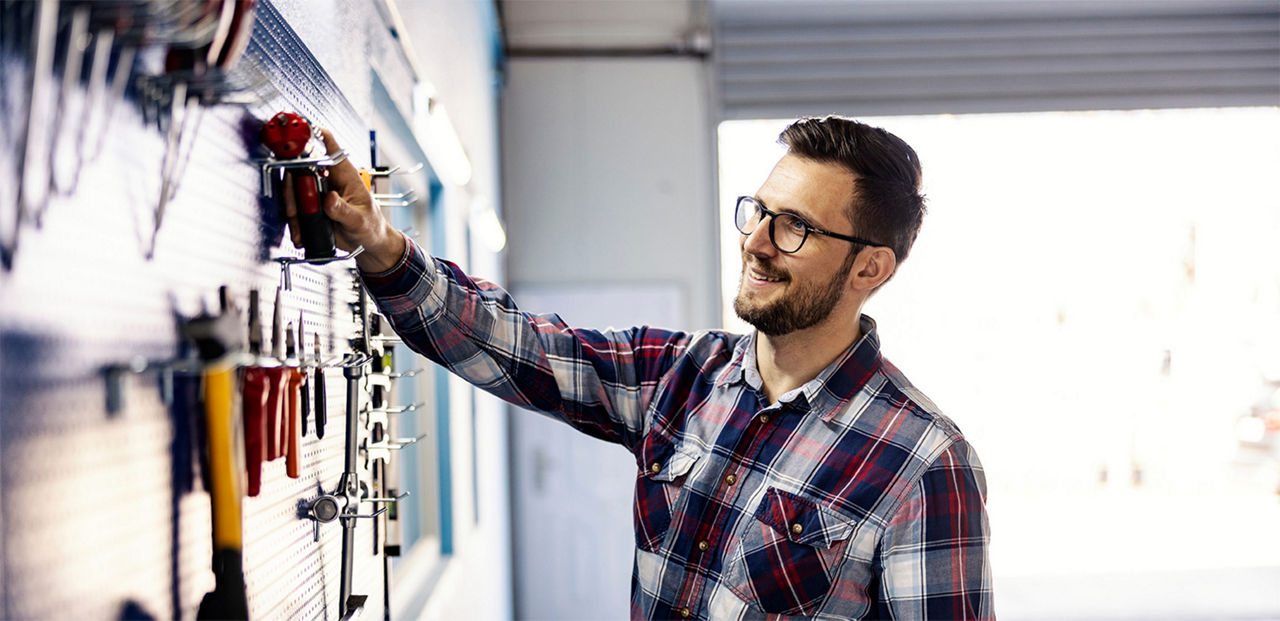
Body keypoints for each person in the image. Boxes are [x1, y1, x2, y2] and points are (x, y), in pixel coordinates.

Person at [287, 116, 993, 619]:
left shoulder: (924, 462)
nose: (757, 242)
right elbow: (513, 344)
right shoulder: (680, 376)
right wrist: (377, 240)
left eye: (796, 226)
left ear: (871, 266)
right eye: (759, 212)